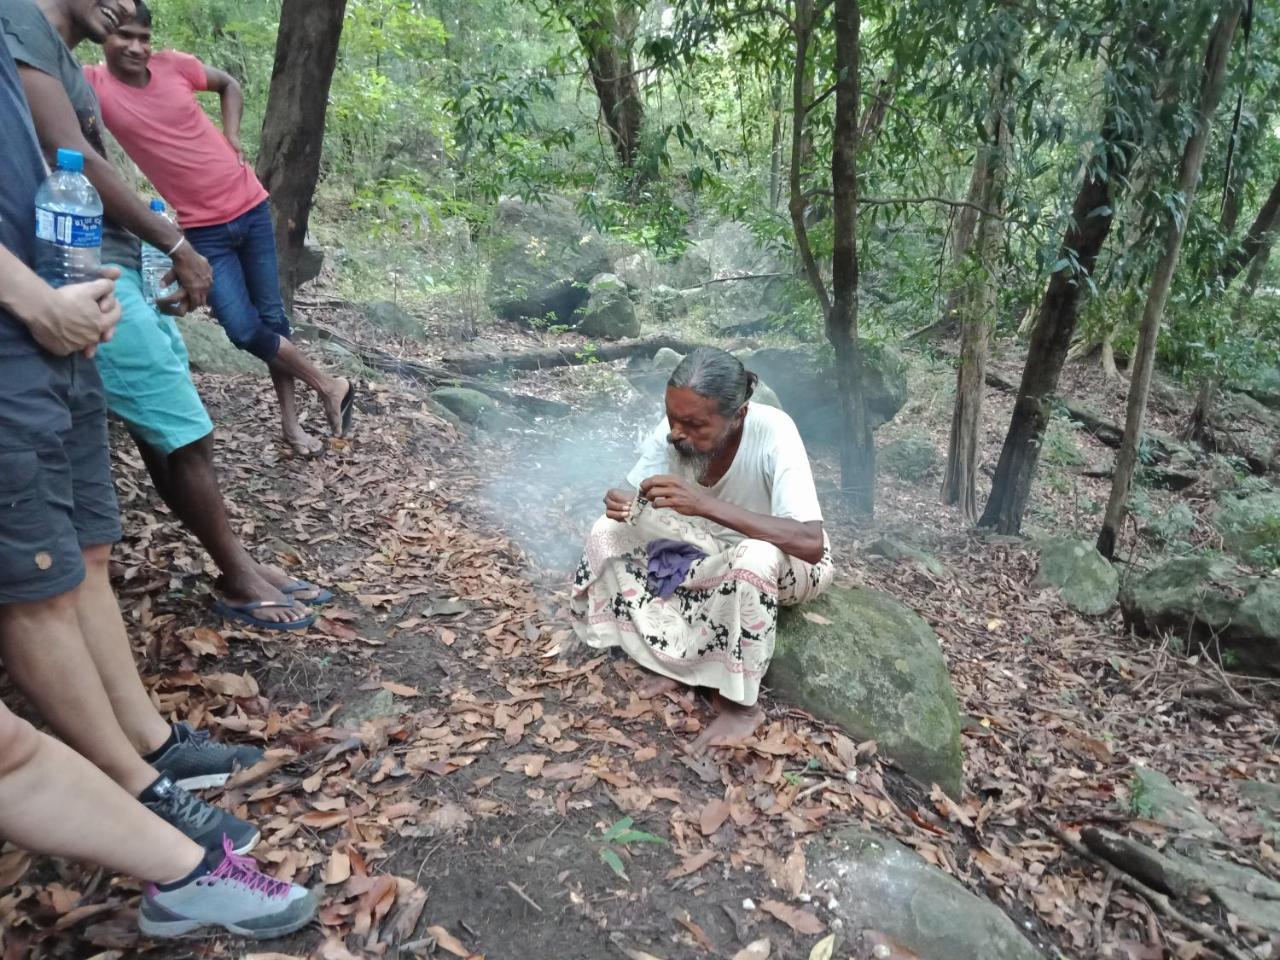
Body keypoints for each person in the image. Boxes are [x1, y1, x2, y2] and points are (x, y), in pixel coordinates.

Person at [0, 16, 264, 864]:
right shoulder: (21, 30)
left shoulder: (48, 52)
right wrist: (37, 301)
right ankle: (128, 784)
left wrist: (72, 288)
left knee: (89, 549)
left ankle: (149, 743)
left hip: (71, 310)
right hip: (25, 326)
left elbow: (66, 168)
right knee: (37, 581)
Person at [2, 0, 328, 631]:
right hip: (81, 273)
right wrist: (178, 246)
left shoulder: (59, 54)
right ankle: (237, 578)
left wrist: (162, 244)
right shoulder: (21, 36)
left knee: (171, 425)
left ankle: (244, 567)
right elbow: (80, 161)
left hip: (115, 258)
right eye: (122, 19)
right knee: (184, 428)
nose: (126, 15)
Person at [86, 0, 355, 458]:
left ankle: (292, 427)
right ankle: (330, 384)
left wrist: (231, 135)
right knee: (242, 329)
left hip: (249, 204)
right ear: (106, 35)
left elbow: (228, 84)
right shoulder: (93, 83)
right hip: (203, 229)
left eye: (144, 38)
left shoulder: (175, 66)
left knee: (272, 322)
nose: (136, 47)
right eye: (125, 36)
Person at [571, 347, 834, 752]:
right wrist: (624, 504)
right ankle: (670, 658)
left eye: (694, 424)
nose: (678, 432)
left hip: (781, 559)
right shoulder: (674, 428)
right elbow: (636, 493)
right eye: (673, 417)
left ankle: (740, 706)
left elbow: (809, 543)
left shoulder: (774, 431)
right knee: (609, 530)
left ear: (738, 415)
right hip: (706, 549)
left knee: (753, 557)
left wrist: (704, 504)